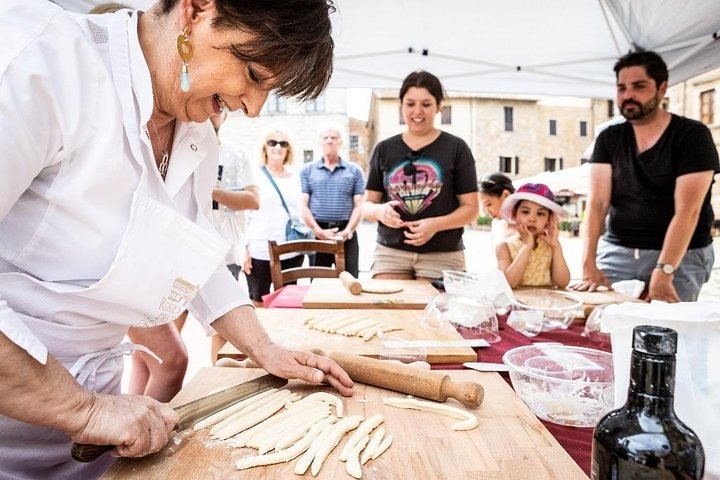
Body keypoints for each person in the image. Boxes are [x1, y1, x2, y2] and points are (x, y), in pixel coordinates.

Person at [0, 1, 353, 478]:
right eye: (252, 74)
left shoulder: (194, 130)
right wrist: (81, 410)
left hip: (88, 431)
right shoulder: (42, 57)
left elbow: (190, 245)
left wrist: (263, 348)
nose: (251, 107)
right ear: (196, 11)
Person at [572, 50, 719, 302]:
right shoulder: (609, 137)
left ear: (662, 88)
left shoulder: (693, 136)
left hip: (682, 254)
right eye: (621, 88)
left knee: (666, 332)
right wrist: (588, 264)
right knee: (603, 325)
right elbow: (597, 204)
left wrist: (664, 271)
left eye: (639, 86)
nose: (628, 95)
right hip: (619, 249)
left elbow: (688, 211)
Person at [361, 70, 480, 280]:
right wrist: (380, 211)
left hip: (443, 255)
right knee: (388, 310)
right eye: (410, 103)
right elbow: (367, 205)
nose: (417, 111)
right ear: (401, 106)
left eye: (426, 104)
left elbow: (471, 210)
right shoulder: (383, 149)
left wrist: (435, 225)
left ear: (438, 107)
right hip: (391, 253)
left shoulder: (457, 148)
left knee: (436, 312)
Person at [244, 128, 306, 306]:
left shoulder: (296, 177)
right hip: (260, 249)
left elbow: (300, 211)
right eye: (272, 142)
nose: (277, 147)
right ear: (264, 147)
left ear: (288, 149)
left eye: (283, 143)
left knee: (287, 303)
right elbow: (245, 214)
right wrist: (245, 248)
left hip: (290, 249)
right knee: (258, 302)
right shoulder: (254, 175)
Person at [300, 124, 365, 277]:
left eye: (334, 138)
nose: (329, 141)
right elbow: (304, 205)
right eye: (325, 138)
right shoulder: (307, 170)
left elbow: (359, 206)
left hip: (346, 234)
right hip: (318, 234)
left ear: (341, 142)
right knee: (318, 283)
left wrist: (348, 231)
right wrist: (318, 231)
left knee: (350, 280)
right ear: (319, 142)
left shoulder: (354, 171)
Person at [496, 183, 571, 289]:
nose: (532, 219)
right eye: (525, 212)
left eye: (540, 214)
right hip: (517, 303)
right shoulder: (504, 247)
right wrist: (527, 246)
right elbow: (509, 284)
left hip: (546, 302)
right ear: (514, 214)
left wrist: (556, 247)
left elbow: (562, 283)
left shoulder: (551, 246)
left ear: (549, 220)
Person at [478, 172, 516, 245]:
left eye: (488, 204)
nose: (486, 212)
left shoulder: (528, 224)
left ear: (506, 195)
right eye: (483, 206)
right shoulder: (496, 225)